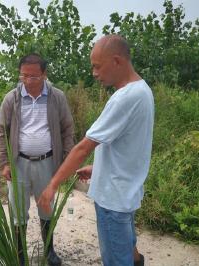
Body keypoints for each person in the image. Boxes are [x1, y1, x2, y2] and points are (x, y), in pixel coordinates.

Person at [38, 35, 154, 266]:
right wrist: (98, 167)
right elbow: (130, 146)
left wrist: (52, 186)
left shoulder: (125, 98)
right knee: (129, 251)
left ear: (117, 61)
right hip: (126, 192)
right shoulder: (143, 90)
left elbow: (83, 147)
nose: (93, 72)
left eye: (97, 66)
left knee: (117, 260)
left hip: (114, 200)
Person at [0, 53, 74, 266]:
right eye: (24, 76)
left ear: (44, 75)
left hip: (48, 162)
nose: (28, 81)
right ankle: (20, 256)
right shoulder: (12, 98)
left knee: (46, 207)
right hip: (18, 163)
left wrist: (66, 161)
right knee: (18, 212)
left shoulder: (56, 97)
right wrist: (3, 162)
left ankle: (49, 250)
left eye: (34, 76)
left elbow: (67, 128)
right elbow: (2, 129)